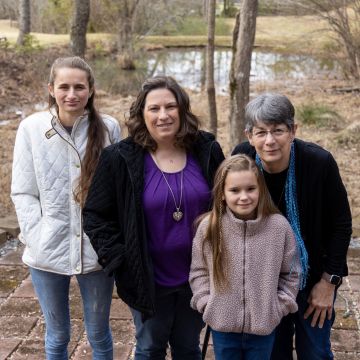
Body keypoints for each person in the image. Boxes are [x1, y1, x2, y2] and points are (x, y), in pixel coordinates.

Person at [82, 75, 225, 359]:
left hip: (198, 276)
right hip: (148, 278)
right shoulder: (120, 158)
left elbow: (227, 203)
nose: (163, 115)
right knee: (149, 347)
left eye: (170, 107)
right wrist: (120, 261)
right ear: (141, 114)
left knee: (188, 347)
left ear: (182, 110)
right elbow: (95, 215)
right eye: (154, 109)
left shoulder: (206, 149)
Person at [11, 56, 121, 360]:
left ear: (90, 90)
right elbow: (23, 191)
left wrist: (111, 240)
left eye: (79, 87)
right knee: (57, 334)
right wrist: (36, 237)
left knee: (99, 333)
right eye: (64, 87)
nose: (71, 94)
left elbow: (118, 191)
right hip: (46, 250)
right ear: (51, 88)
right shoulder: (31, 128)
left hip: (96, 251)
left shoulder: (109, 128)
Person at [232, 93, 352, 359]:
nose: (270, 140)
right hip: (265, 279)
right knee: (273, 352)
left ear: (293, 131)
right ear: (249, 135)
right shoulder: (243, 157)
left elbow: (341, 224)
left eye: (278, 130)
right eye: (261, 132)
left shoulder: (319, 163)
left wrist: (329, 283)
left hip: (312, 278)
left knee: (315, 352)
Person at [189, 154, 300, 360]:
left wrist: (277, 307)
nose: (244, 197)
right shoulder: (210, 227)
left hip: (263, 328)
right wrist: (207, 304)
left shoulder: (278, 227)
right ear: (222, 193)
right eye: (234, 190)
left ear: (260, 189)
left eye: (250, 189)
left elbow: (292, 273)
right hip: (222, 328)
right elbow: (199, 271)